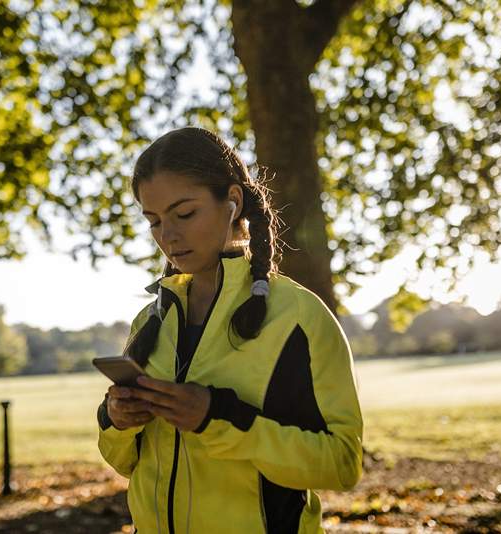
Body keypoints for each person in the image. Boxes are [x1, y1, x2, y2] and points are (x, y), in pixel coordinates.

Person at [97, 127, 363, 534]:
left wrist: (217, 417)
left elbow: (342, 463)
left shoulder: (299, 317)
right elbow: (124, 462)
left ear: (233, 202)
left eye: (184, 214)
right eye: (154, 221)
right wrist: (118, 420)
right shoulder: (150, 320)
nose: (168, 236)